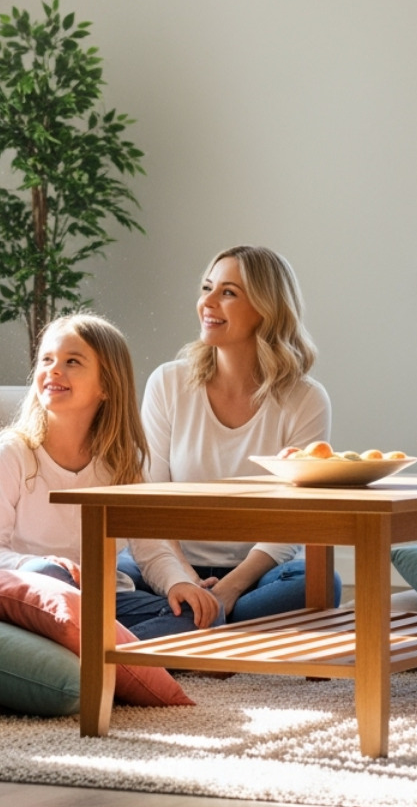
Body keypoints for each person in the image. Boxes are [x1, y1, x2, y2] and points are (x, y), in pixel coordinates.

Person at [122, 245, 342, 621]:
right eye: (207, 288)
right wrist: (185, 580)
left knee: (319, 583)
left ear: (266, 308)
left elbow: (294, 521)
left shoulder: (305, 398)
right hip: (169, 567)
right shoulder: (168, 382)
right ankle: (208, 624)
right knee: (109, 580)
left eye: (227, 293)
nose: (207, 302)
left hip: (256, 574)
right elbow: (149, 502)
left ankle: (185, 626)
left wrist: (229, 589)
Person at [0, 313, 218, 639]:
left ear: (106, 386)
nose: (54, 369)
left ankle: (88, 655)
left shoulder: (123, 463)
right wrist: (45, 566)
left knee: (205, 613)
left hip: (105, 601)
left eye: (72, 361)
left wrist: (180, 583)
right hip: (38, 596)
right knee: (51, 575)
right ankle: (106, 654)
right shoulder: (14, 452)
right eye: (47, 359)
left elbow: (151, 551)